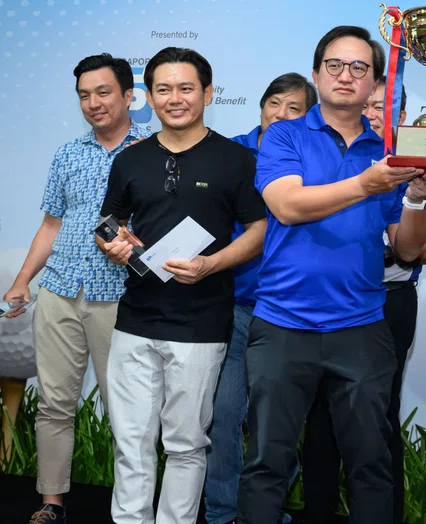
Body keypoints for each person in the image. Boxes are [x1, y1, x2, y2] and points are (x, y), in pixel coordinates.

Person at [236, 26, 426, 524]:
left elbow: (409, 249)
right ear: (316, 73)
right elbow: (286, 206)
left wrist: (415, 197)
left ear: (374, 84)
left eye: (359, 68)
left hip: (361, 326)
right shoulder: (284, 133)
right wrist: (365, 183)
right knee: (266, 464)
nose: (346, 76)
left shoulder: (388, 149)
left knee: (372, 465)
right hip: (283, 324)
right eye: (335, 65)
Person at [98, 47, 267, 524]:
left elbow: (258, 231)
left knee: (187, 445)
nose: (175, 98)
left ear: (208, 93)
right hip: (135, 320)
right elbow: (108, 222)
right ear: (148, 97)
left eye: (186, 88)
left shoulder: (237, 159)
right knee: (130, 444)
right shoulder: (131, 160)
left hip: (202, 323)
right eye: (164, 89)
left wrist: (212, 265)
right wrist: (113, 241)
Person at [1, 54, 147, 524]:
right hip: (60, 291)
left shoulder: (151, 155)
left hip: (120, 299)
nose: (93, 103)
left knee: (125, 410)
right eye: (84, 95)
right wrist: (23, 282)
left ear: (129, 96)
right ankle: (52, 503)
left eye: (103, 92)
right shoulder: (67, 154)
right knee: (55, 403)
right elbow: (50, 225)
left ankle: (131, 509)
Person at [302, 77, 426, 524]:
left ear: (401, 117)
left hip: (387, 305)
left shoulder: (418, 170)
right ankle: (318, 512)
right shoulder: (326, 155)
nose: (370, 113)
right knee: (319, 417)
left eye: (381, 106)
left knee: (378, 421)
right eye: (365, 104)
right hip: (322, 301)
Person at [203, 72, 317, 524]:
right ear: (261, 107)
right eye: (275, 104)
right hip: (233, 307)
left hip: (291, 311)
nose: (282, 115)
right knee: (225, 415)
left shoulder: (316, 156)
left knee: (281, 425)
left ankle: (261, 512)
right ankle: (222, 512)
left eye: (295, 108)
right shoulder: (229, 152)